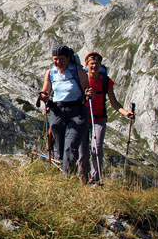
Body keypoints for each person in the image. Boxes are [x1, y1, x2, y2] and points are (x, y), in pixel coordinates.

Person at [39, 45, 93, 180]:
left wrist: (88, 93)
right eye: (55, 59)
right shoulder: (50, 73)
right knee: (60, 147)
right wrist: (44, 96)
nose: (58, 62)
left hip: (77, 112)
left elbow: (87, 89)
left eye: (61, 59)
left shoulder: (78, 72)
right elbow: (46, 90)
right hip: (57, 112)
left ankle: (66, 179)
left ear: (68, 58)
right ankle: (67, 175)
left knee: (70, 146)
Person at [84, 52, 135, 185]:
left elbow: (114, 102)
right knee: (82, 149)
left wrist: (126, 113)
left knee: (97, 147)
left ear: (100, 65)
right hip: (83, 118)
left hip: (99, 119)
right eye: (92, 63)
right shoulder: (82, 79)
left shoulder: (105, 81)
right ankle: (82, 176)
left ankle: (95, 179)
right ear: (87, 65)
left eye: (97, 64)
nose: (94, 66)